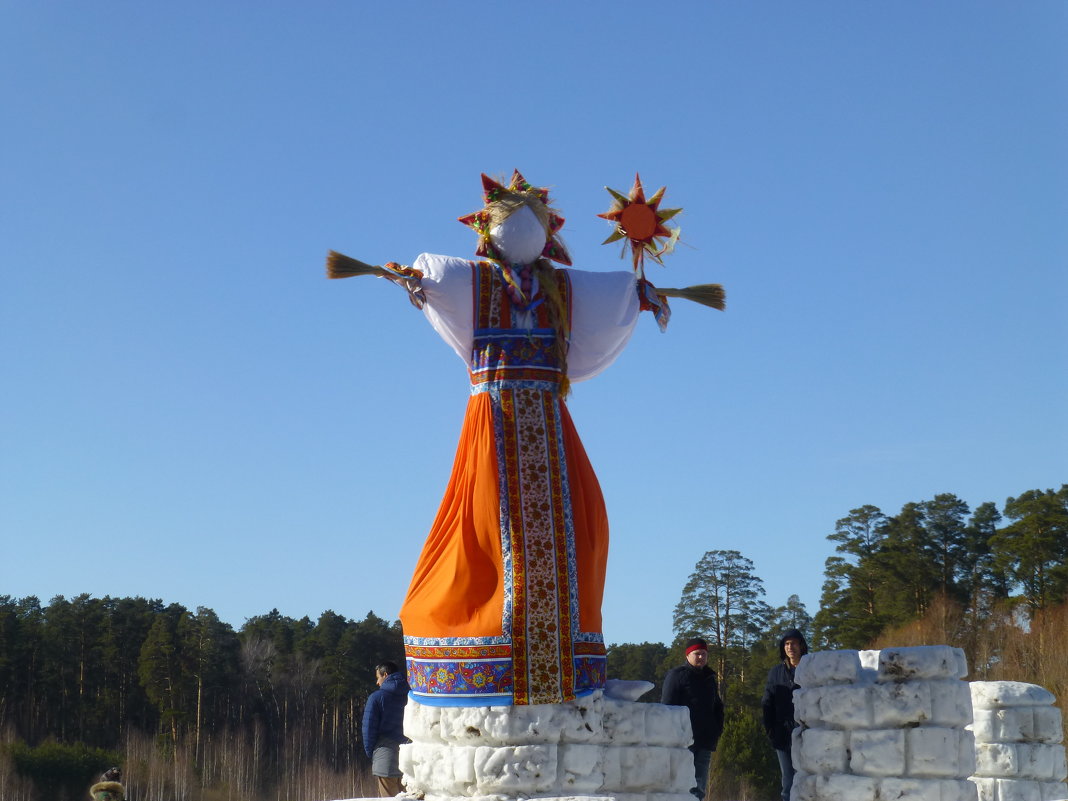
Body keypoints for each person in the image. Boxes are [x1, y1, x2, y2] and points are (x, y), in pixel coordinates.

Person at [342, 171, 682, 707]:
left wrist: (636, 290)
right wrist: (413, 278)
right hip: (496, 418)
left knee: (580, 530)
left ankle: (574, 666)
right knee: (487, 529)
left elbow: (606, 292)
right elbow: (436, 275)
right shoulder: (474, 281)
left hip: (546, 417)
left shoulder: (561, 287)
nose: (520, 230)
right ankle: (489, 659)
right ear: (486, 228)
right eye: (507, 220)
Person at [661, 637, 725, 801]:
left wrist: (717, 729)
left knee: (699, 787)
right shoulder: (676, 676)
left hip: (705, 741)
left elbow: (717, 706)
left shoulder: (709, 677)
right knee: (681, 785)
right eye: (697, 654)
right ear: (688, 655)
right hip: (683, 742)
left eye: (704, 654)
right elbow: (667, 708)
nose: (701, 657)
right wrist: (673, 736)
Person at [762, 628, 808, 801]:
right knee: (788, 781)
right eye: (787, 644)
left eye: (794, 643)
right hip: (782, 733)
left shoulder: (810, 668)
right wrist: (770, 729)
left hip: (807, 733)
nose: (790, 647)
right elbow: (767, 702)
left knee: (806, 777)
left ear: (801, 645)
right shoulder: (776, 672)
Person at [362, 661, 410, 797]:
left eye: (378, 677)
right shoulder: (412, 695)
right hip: (411, 756)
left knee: (389, 797)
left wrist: (371, 752)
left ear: (385, 674)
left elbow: (369, 728)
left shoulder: (376, 697)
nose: (377, 682)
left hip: (385, 754)